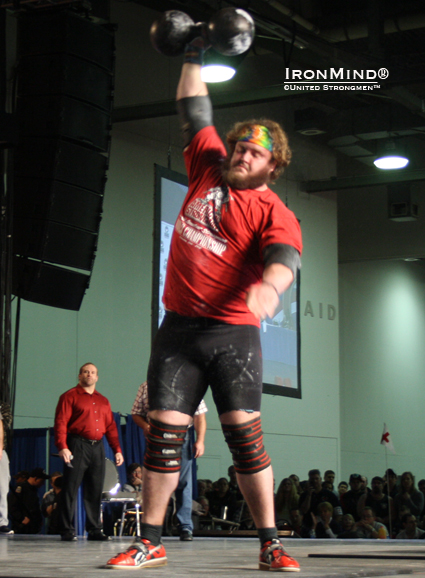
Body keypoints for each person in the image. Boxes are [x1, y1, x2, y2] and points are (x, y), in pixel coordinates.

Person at [106, 29, 302, 572]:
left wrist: (270, 287)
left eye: (255, 153)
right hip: (178, 331)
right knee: (164, 440)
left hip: (232, 335)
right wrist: (193, 51)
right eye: (241, 146)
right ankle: (150, 539)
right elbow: (195, 108)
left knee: (245, 439)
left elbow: (285, 258)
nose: (242, 155)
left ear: (272, 166)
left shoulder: (273, 212)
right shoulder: (207, 166)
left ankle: (269, 543)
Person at [54, 362, 124, 541]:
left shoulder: (103, 400)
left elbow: (110, 427)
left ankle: (94, 529)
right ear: (80, 376)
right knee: (70, 488)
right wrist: (63, 446)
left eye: (92, 372)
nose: (89, 375)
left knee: (95, 489)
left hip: (98, 446)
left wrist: (117, 449)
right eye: (85, 372)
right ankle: (66, 530)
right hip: (77, 444)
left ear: (97, 377)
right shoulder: (69, 396)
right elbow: (61, 422)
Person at [130, 381, 207, 541]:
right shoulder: (146, 386)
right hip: (156, 436)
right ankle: (153, 527)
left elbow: (199, 415)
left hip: (182, 436)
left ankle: (185, 527)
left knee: (184, 483)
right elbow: (136, 413)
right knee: (154, 483)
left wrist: (200, 440)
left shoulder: (190, 384)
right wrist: (145, 426)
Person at [9, 467, 49, 534]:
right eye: (42, 481)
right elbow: (11, 506)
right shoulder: (21, 488)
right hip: (22, 528)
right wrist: (21, 518)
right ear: (36, 478)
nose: (43, 484)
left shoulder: (33, 490)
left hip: (33, 528)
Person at [0, 402, 13, 534]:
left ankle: (2, 522)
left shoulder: (3, 407)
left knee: (2, 488)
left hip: (0, 452)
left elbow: (4, 424)